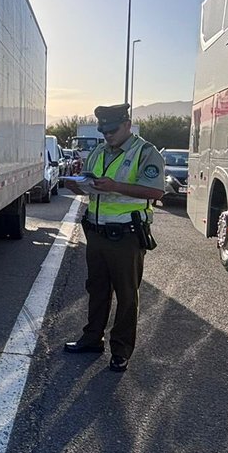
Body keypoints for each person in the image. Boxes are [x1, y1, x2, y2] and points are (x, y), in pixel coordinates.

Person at [61, 104, 165, 371]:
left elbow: (155, 192)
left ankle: (121, 350)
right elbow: (90, 186)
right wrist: (76, 185)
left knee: (127, 295)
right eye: (103, 131)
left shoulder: (145, 152)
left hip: (126, 236)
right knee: (96, 289)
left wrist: (115, 186)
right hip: (96, 233)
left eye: (112, 130)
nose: (107, 135)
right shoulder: (99, 151)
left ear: (127, 125)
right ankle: (92, 338)